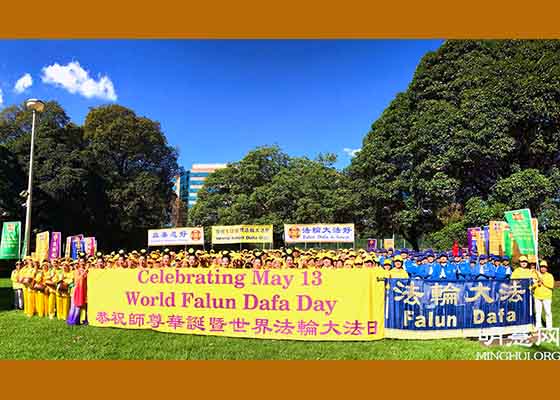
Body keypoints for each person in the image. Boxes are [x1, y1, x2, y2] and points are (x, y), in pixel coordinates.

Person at [533, 260, 554, 329]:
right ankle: (538, 326)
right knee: (538, 312)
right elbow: (532, 286)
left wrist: (542, 281)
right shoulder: (536, 275)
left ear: (547, 268)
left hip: (546, 297)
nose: (543, 268)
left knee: (548, 312)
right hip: (537, 296)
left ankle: (549, 327)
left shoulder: (550, 276)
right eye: (541, 267)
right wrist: (537, 283)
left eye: (544, 267)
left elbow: (551, 286)